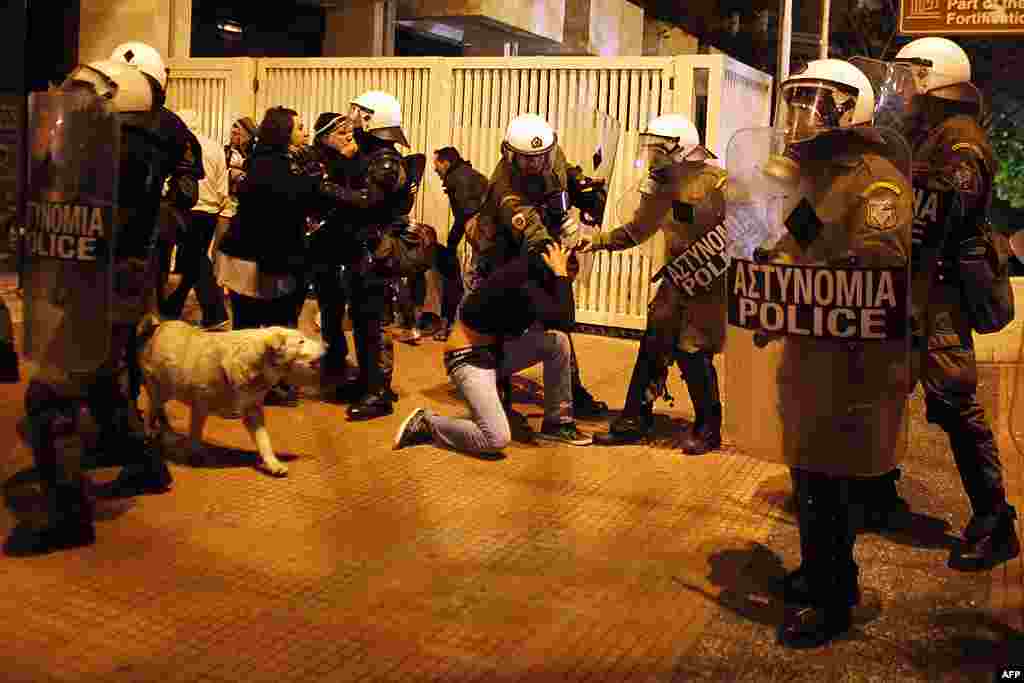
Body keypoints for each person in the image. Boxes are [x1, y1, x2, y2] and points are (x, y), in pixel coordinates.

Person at [729, 59, 914, 646]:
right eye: (799, 100)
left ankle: (835, 600)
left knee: (830, 478)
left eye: (816, 101)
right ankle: (818, 572)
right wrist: (770, 286)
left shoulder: (874, 180)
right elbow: (794, 243)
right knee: (807, 469)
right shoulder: (822, 178)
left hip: (850, 360)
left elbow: (878, 270)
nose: (801, 114)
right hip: (809, 353)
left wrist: (804, 293)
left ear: (848, 108)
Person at [6, 41, 205, 555]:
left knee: (50, 397)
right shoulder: (132, 147)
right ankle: (145, 465)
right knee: (102, 381)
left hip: (98, 281)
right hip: (119, 278)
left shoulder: (113, 157)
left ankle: (69, 517)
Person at [852, 38, 1019, 569]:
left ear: (934, 81)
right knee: (882, 388)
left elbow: (938, 221)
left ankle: (996, 521)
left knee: (954, 404)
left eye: (910, 78)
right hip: (914, 290)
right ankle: (878, 491)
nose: (902, 89)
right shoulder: (927, 136)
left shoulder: (960, 144)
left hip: (938, 296)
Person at [581, 113, 727, 454]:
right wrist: (598, 241)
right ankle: (635, 420)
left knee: (693, 350)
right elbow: (638, 229)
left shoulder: (719, 184)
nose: (651, 157)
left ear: (681, 149)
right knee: (654, 343)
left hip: (711, 279)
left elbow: (749, 229)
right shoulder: (662, 184)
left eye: (658, 149)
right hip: (678, 276)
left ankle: (708, 428)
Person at [394, 242, 592, 453]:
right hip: (468, 359)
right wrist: (561, 275)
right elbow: (566, 320)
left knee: (558, 341)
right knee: (496, 438)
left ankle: (557, 423)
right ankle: (428, 422)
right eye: (568, 276)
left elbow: (560, 325)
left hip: (496, 353)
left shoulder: (535, 279)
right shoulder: (524, 282)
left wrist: (561, 274)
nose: (569, 282)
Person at [474, 113, 608, 418]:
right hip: (505, 255)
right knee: (505, 326)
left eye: (541, 157)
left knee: (559, 322)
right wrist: (560, 260)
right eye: (526, 160)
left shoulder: (548, 151)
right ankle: (499, 397)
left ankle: (572, 392)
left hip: (542, 243)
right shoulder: (506, 189)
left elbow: (561, 172)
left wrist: (581, 185)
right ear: (510, 155)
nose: (536, 164)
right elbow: (533, 234)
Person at [315, 91, 426, 421]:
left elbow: (367, 201)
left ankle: (378, 394)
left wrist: (323, 187)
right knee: (363, 320)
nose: (354, 120)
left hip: (375, 251)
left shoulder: (385, 160)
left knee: (375, 322)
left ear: (373, 120)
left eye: (361, 114)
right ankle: (368, 382)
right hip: (363, 249)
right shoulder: (373, 155)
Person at [216, 106, 329, 407]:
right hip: (256, 258)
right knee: (256, 324)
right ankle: (251, 385)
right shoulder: (271, 165)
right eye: (299, 127)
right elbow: (292, 205)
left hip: (264, 256)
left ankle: (255, 384)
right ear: (284, 133)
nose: (305, 132)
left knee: (257, 321)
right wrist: (312, 178)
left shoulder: (275, 161)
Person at [159, 109, 230, 328]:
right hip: (209, 213)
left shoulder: (178, 144)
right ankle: (173, 307)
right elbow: (222, 185)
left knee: (194, 260)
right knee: (193, 259)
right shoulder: (216, 147)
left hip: (185, 210)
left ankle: (215, 313)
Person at [433, 146, 488, 340]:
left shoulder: (458, 178)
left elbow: (467, 211)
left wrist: (452, 241)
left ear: (446, 163)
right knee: (476, 280)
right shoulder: (466, 174)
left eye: (436, 165)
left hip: (485, 235)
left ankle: (461, 330)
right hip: (489, 234)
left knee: (471, 280)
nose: (435, 170)